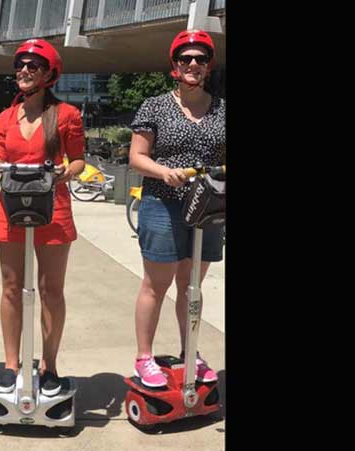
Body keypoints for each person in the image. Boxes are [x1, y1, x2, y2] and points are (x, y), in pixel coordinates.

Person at [127, 29, 226, 388]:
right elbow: (136, 157)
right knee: (157, 283)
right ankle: (144, 357)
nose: (194, 64)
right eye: (186, 58)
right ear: (175, 65)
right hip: (162, 203)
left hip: (208, 206)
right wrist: (163, 171)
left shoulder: (221, 108)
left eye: (201, 58)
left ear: (208, 66)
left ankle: (191, 352)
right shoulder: (155, 106)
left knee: (192, 287)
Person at [0, 39, 86, 396]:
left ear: (49, 73)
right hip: (11, 208)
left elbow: (78, 160)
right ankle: (11, 365)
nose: (24, 71)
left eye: (34, 66)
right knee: (12, 287)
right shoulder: (5, 117)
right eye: (21, 65)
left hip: (53, 209)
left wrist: (65, 172)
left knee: (50, 290)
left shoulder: (67, 116)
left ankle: (49, 366)